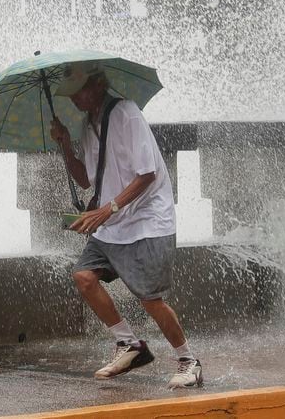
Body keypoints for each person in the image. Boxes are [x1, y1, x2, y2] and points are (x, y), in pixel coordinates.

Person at [49, 62, 203, 389]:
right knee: (84, 277)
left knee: (150, 299)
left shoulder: (126, 113)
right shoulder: (85, 126)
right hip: (112, 223)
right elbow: (86, 179)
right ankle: (130, 344)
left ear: (97, 84)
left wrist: (109, 208)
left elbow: (147, 173)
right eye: (70, 94)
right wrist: (64, 142)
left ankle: (189, 360)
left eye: (78, 91)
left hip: (147, 220)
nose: (74, 99)